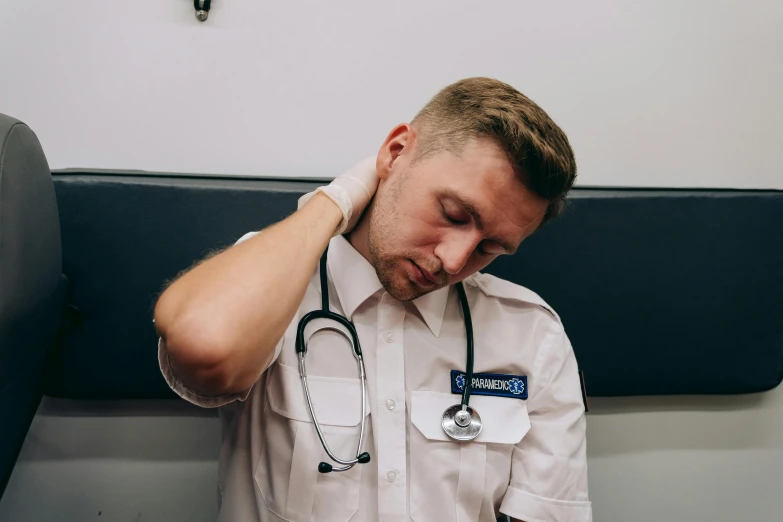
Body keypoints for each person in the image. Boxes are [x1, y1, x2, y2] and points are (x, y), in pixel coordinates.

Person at [153, 77, 592, 522]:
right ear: (396, 152)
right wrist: (336, 200)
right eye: (454, 214)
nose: (454, 260)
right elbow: (203, 349)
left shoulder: (531, 332)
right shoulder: (271, 284)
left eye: (490, 249)